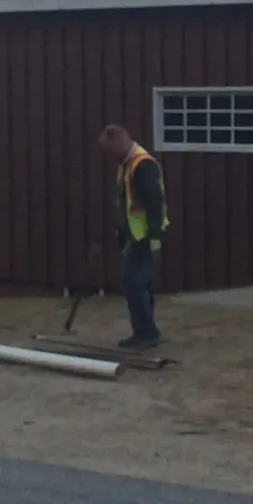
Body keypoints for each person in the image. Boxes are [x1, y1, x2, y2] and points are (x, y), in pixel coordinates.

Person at [98, 123, 167, 350]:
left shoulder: (142, 164)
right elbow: (126, 201)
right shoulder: (127, 164)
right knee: (141, 284)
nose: (109, 156)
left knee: (134, 282)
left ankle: (147, 333)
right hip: (135, 235)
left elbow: (154, 202)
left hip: (144, 236)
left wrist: (153, 236)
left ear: (119, 142)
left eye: (110, 150)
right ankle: (146, 331)